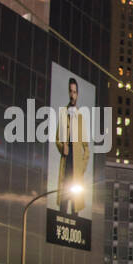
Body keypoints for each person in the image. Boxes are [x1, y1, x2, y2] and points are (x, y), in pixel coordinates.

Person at [55, 77, 90, 216]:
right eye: (70, 91)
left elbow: (86, 148)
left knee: (75, 209)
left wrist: (82, 167)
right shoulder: (63, 113)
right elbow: (57, 139)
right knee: (63, 207)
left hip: (76, 170)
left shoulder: (81, 117)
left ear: (77, 94)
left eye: (74, 92)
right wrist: (62, 147)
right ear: (68, 92)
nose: (72, 94)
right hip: (66, 166)